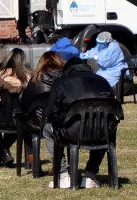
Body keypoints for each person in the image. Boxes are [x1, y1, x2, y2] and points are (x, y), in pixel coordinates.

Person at [42, 54, 118, 189]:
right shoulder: (103, 81)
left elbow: (50, 113)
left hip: (72, 132)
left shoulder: (60, 82)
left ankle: (63, 174)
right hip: (102, 132)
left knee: (47, 129)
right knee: (103, 127)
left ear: (66, 70)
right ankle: (90, 175)